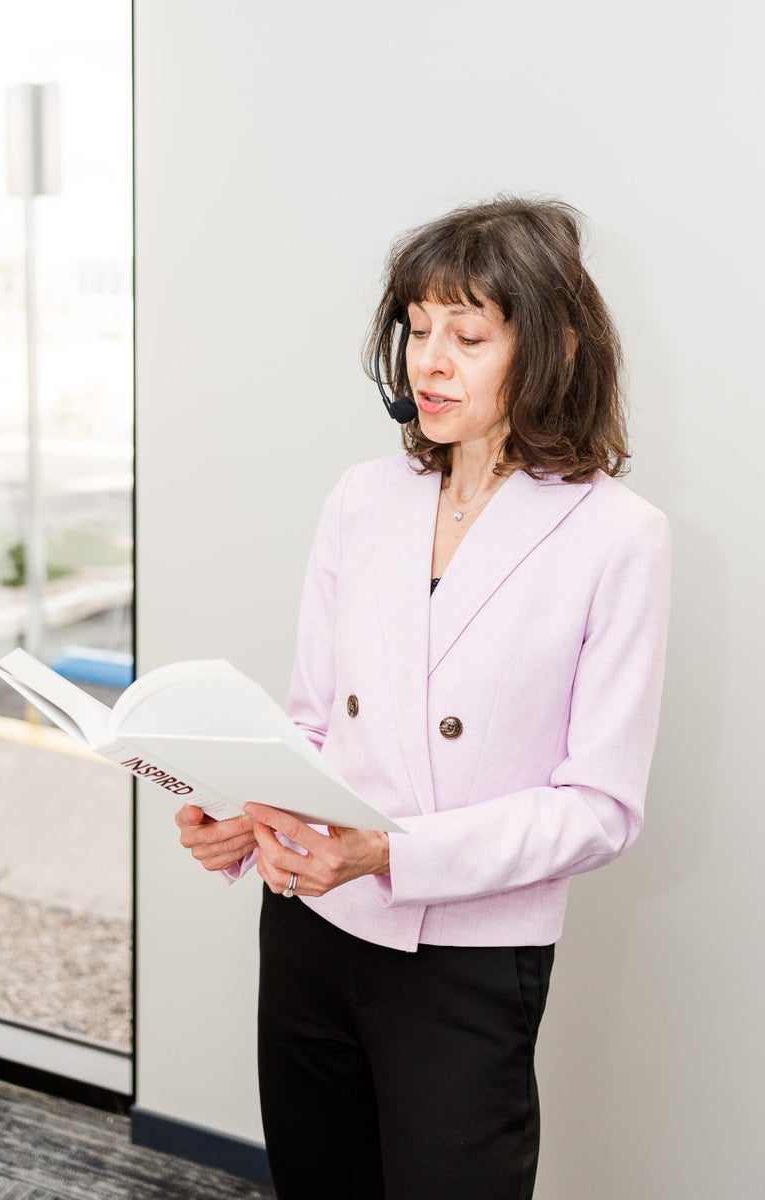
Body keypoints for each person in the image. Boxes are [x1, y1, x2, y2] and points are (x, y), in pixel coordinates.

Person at [175, 195, 671, 1200]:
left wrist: (391, 853)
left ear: (551, 348)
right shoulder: (363, 498)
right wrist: (241, 811)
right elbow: (313, 718)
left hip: (467, 958)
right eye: (414, 329)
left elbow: (600, 808)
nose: (428, 362)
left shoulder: (617, 536)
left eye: (467, 335)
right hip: (311, 924)